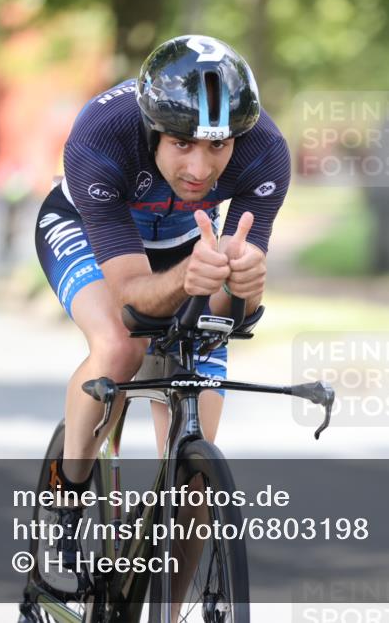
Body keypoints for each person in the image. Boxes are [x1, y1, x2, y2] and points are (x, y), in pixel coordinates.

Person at [32, 35, 290, 601]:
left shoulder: (265, 150)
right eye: (181, 144)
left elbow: (233, 314)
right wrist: (189, 280)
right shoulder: (101, 136)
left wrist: (243, 286)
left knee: (195, 480)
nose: (200, 168)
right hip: (89, 230)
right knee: (122, 346)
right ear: (153, 127)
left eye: (217, 147)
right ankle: (66, 505)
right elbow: (131, 297)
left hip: (182, 242)